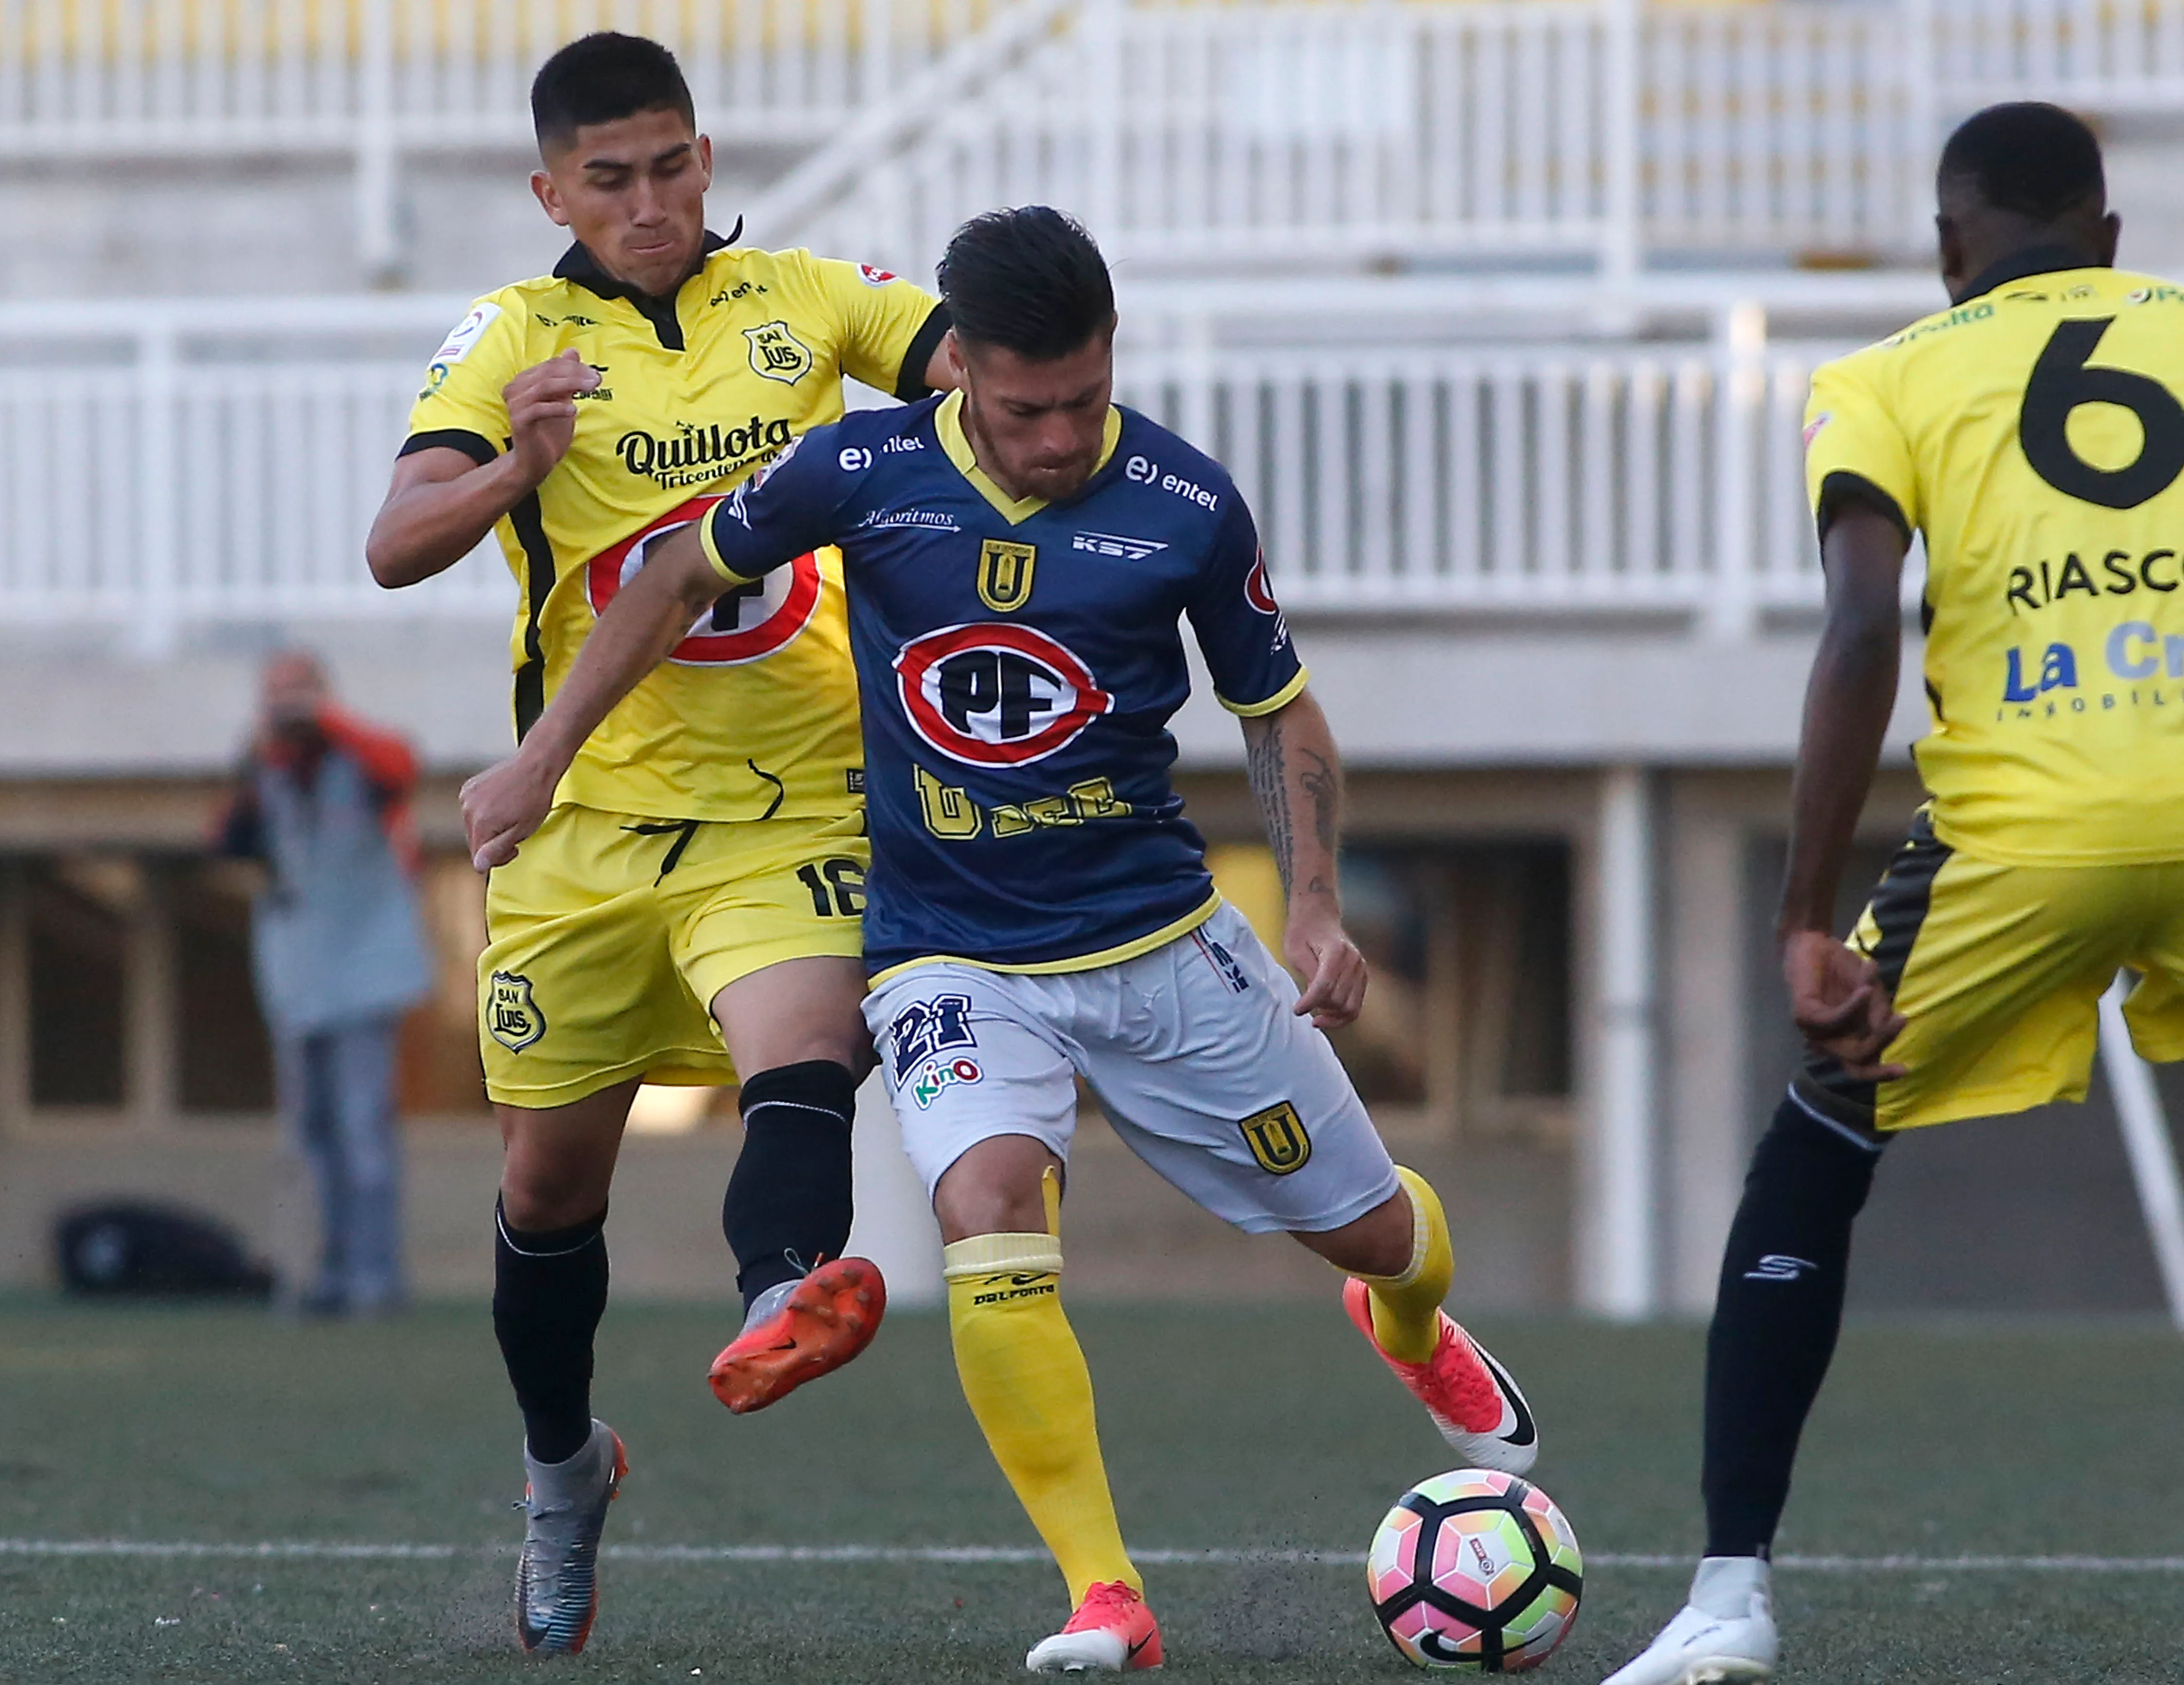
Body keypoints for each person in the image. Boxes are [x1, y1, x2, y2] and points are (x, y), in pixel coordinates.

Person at [467, 205, 1541, 1675]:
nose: (1060, 439)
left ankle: (1408, 1322)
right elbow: (670, 579)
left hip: (1159, 942)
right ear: (959, 365)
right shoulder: (863, 471)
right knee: (987, 1209)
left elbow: (1277, 710)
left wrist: (1312, 905)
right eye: (1029, 410)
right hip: (949, 953)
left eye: (1086, 401)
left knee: (1376, 1232)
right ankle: (1106, 1595)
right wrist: (541, 759)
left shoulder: (1186, 503)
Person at [362, 32, 957, 1655]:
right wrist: (514, 468)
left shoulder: (811, 300)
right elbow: (394, 545)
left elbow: (984, 371)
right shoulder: (513, 336)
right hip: (582, 825)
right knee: (549, 1188)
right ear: (550, 192)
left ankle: (783, 1294)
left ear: (707, 157)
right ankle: (564, 1467)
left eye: (670, 167)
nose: (648, 203)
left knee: (806, 1045)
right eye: (609, 180)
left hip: (792, 803)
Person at [1602, 103, 2184, 1685]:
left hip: (2030, 831)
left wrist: (1805, 914)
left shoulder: (1883, 379)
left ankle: (1729, 1594)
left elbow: (1863, 625)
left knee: (1819, 1143)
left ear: (1945, 247)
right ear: (2110, 239)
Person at [214, 649, 432, 1319]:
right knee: (308, 1136)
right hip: (298, 975)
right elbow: (227, 838)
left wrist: (327, 722)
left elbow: (401, 768)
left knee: (364, 1128)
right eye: (275, 694)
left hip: (365, 969)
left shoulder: (360, 755)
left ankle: (375, 1278)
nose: (287, 707)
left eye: (297, 692)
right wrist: (261, 752)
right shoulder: (267, 768)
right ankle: (322, 1273)